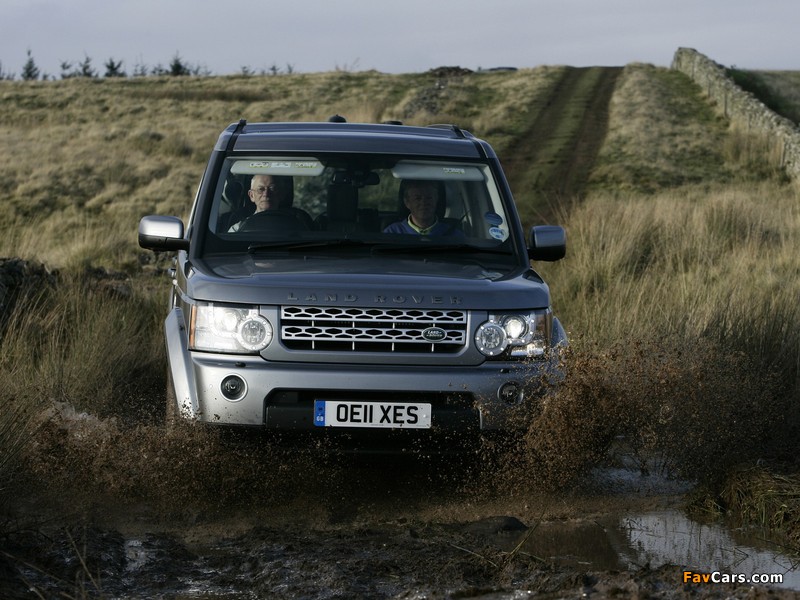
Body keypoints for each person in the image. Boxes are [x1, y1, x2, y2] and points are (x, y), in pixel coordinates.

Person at [383, 179, 462, 236]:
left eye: (429, 198)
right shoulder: (391, 233)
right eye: (418, 198)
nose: (424, 203)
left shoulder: (454, 235)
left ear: (437, 200)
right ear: (407, 202)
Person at [228, 174, 293, 232]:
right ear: (251, 195)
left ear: (281, 194)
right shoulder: (237, 230)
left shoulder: (295, 227)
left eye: (272, 188)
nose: (266, 194)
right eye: (260, 189)